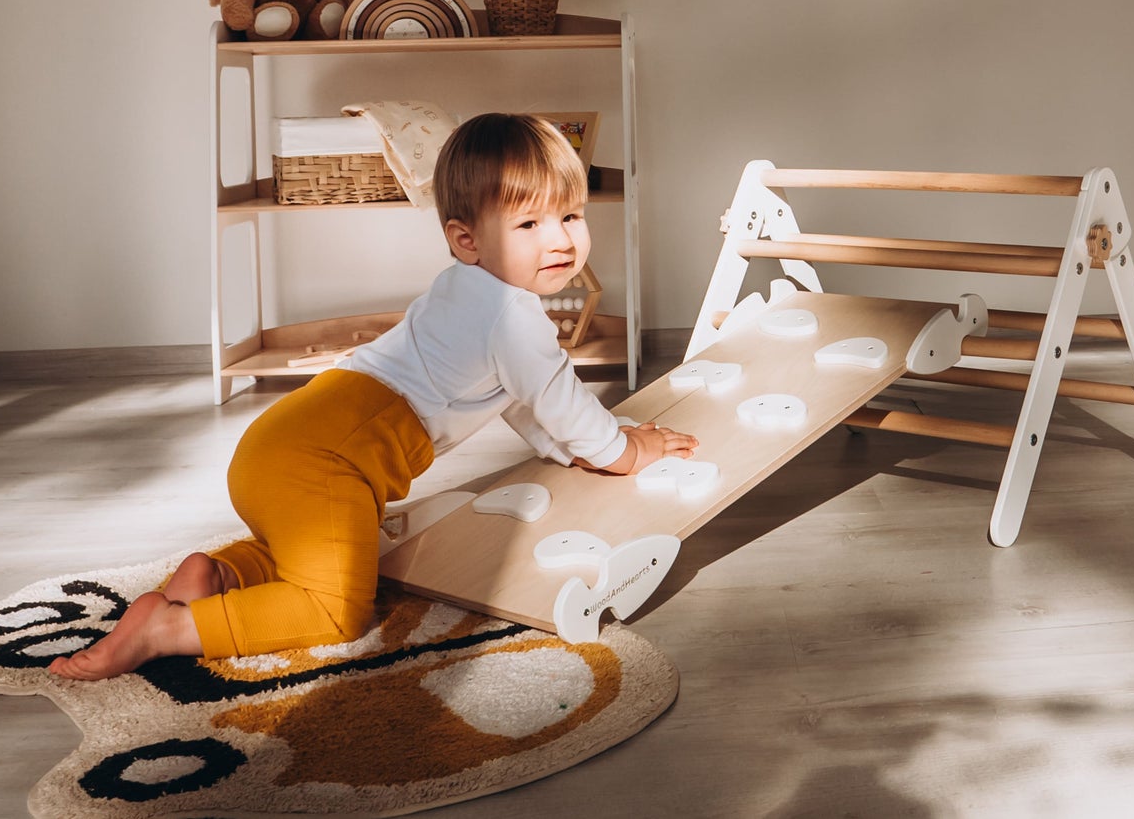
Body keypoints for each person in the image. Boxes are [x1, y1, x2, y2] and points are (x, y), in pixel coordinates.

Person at [51, 112, 697, 681]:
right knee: (336, 609)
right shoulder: (513, 315)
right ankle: (166, 629)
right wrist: (623, 450)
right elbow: (558, 397)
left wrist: (567, 451)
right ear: (466, 238)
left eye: (571, 216)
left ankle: (217, 578)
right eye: (529, 223)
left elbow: (521, 399)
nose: (560, 240)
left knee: (314, 549)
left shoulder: (463, 289)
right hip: (321, 463)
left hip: (281, 443)